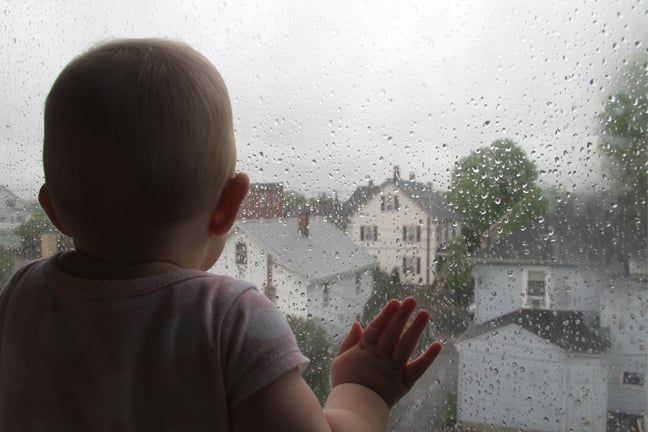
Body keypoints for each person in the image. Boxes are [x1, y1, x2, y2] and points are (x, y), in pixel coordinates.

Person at [0, 38, 442, 431]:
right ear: (229, 207)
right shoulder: (229, 319)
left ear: (54, 210)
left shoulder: (20, 293)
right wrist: (365, 390)